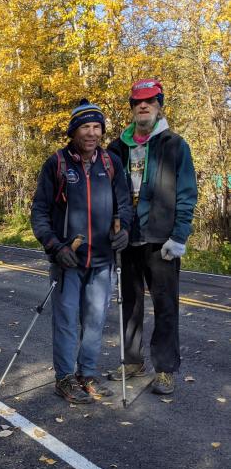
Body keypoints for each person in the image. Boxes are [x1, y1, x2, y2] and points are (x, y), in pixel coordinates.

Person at [31, 99, 133, 404]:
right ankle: (64, 378)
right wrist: (53, 245)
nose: (91, 133)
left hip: (102, 260)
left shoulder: (111, 163)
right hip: (69, 260)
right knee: (65, 321)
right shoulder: (57, 164)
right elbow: (39, 212)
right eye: (85, 127)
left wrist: (124, 229)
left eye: (96, 127)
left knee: (95, 321)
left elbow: (125, 205)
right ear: (74, 131)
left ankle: (86, 374)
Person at [106, 79, 198, 395]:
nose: (142, 106)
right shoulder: (117, 148)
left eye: (149, 101)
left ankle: (165, 369)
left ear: (159, 105)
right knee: (129, 303)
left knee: (165, 305)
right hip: (127, 238)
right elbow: (106, 193)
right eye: (137, 102)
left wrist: (179, 235)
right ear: (131, 108)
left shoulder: (175, 145)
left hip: (162, 241)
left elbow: (186, 194)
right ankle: (132, 363)